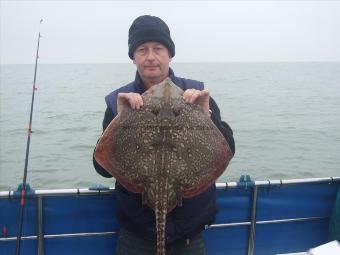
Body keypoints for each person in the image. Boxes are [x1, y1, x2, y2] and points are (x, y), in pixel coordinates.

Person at [93, 15, 235, 255]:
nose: (150, 56)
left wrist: (205, 114)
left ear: (169, 54)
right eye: (142, 49)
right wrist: (121, 120)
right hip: (136, 234)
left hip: (188, 233)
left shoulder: (196, 95)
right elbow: (103, 168)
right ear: (133, 57)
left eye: (158, 49)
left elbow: (228, 150)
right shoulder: (119, 101)